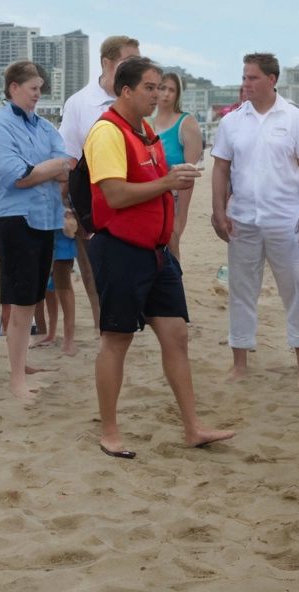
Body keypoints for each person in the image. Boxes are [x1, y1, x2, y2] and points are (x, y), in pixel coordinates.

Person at [84, 56, 235, 458]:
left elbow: (151, 185)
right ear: (127, 90)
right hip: (119, 250)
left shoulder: (145, 129)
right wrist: (168, 182)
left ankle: (193, 426)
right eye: (150, 87)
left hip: (156, 251)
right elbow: (114, 194)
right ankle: (110, 431)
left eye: (160, 87)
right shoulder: (107, 133)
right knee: (116, 339)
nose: (158, 94)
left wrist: (171, 194)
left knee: (177, 336)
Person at [210, 52, 299, 392]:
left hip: (285, 219)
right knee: (242, 291)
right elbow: (221, 168)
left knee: (296, 292)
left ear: (272, 80)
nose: (246, 84)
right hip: (243, 219)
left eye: (253, 78)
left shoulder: (295, 118)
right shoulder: (232, 121)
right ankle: (239, 363)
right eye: (244, 77)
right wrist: (217, 211)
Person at [0, 60, 69, 402]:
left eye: (40, 88)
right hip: (12, 216)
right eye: (33, 88)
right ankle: (16, 379)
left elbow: (65, 169)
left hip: (46, 216)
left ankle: (22, 364)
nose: (38, 94)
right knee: (19, 299)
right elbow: (17, 176)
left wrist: (46, 169)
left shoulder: (46, 128)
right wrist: (50, 168)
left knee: (33, 295)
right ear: (14, 88)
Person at [58, 35, 141, 329]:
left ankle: (127, 324)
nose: (136, 66)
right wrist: (71, 209)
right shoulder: (80, 103)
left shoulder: (137, 100)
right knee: (94, 273)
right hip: (91, 202)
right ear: (107, 63)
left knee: (132, 269)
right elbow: (68, 159)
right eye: (128, 60)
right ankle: (103, 328)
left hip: (133, 199)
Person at [152, 71, 203, 261]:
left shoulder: (186, 123)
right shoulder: (145, 122)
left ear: (178, 94)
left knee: (171, 251)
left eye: (171, 90)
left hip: (172, 199)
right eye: (162, 88)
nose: (166, 94)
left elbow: (189, 175)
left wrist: (181, 219)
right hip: (148, 194)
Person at [31, 211, 78, 357]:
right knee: (48, 287)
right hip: (45, 231)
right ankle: (51, 334)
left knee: (63, 287)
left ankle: (69, 340)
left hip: (61, 234)